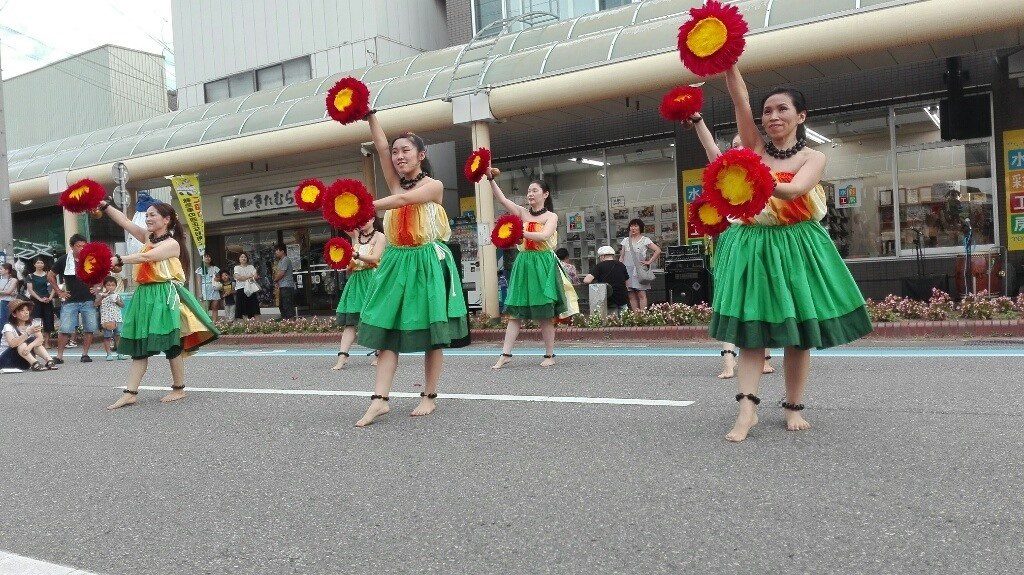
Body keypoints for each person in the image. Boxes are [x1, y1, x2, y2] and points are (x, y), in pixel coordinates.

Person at [713, 64, 872, 442]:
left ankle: (793, 406)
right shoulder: (753, 146)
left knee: (798, 332)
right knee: (753, 332)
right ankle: (746, 409)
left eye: (782, 109)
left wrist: (754, 176)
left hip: (798, 246)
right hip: (753, 246)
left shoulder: (812, 158)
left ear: (801, 116)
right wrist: (729, 60)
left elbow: (795, 189)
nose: (773, 117)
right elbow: (739, 98)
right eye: (767, 111)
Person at [353, 112, 469, 427]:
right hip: (396, 260)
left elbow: (403, 199)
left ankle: (429, 396)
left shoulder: (434, 186)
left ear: (421, 155)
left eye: (405, 151)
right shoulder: (394, 181)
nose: (398, 156)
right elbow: (379, 147)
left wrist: (363, 206)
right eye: (396, 152)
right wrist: (370, 117)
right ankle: (380, 400)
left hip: (427, 261)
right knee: (386, 329)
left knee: (432, 331)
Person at [95, 199, 220, 410]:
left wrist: (118, 259)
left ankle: (179, 388)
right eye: (148, 215)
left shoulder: (172, 244)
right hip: (144, 295)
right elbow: (125, 221)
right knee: (139, 344)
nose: (148, 218)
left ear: (167, 219)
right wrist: (105, 205)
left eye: (153, 215)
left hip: (163, 295)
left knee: (171, 342)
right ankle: (130, 393)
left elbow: (148, 256)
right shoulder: (147, 236)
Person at [684, 115, 775, 379]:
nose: (737, 149)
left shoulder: (765, 169)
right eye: (733, 145)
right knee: (731, 296)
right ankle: (728, 361)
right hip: (734, 238)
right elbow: (710, 148)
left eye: (742, 144)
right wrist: (700, 121)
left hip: (762, 238)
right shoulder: (726, 172)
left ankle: (765, 356)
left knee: (761, 296)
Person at [489, 168, 579, 370]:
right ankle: (505, 353)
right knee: (516, 312)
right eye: (528, 191)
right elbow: (503, 200)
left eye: (534, 191)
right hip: (524, 263)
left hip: (543, 264)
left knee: (545, 313)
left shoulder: (551, 216)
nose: (530, 194)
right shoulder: (522, 212)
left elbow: (544, 236)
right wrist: (490, 179)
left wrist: (516, 231)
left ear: (545, 194)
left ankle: (549, 354)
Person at [331, 218, 385, 371]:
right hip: (355, 280)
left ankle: (379, 352)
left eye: (366, 217)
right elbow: (340, 222)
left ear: (373, 218)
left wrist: (356, 255)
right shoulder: (356, 234)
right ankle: (342, 357)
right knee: (350, 321)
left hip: (372, 279)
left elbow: (375, 258)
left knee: (374, 318)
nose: (362, 221)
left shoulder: (380, 236)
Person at [49, 234, 99, 364]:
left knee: (90, 328)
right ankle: (59, 356)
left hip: (89, 298)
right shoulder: (64, 259)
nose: (82, 248)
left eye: (84, 245)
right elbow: (50, 275)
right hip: (70, 299)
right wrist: (59, 291)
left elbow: (102, 273)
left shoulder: (91, 259)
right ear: (72, 246)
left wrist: (98, 287)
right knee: (65, 329)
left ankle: (85, 354)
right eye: (78, 246)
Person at [0, 300, 57, 371]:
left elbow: (40, 339)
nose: (26, 312)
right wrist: (27, 333)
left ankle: (49, 361)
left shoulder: (31, 324)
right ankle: (35, 363)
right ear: (14, 314)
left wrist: (30, 346)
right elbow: (12, 344)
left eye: (27, 310)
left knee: (33, 340)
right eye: (22, 310)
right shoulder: (8, 326)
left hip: (23, 360)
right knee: (22, 343)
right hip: (6, 361)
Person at [619, 218, 662, 310]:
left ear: (640, 227)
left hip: (639, 271)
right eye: (631, 226)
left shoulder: (645, 240)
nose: (633, 228)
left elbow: (658, 250)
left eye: (636, 226)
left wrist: (649, 261)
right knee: (631, 294)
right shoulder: (626, 240)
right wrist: (620, 268)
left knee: (641, 293)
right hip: (627, 271)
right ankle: (636, 317)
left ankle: (643, 316)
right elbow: (622, 256)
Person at [583, 246, 629, 314]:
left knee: (612, 321)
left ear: (602, 256)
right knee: (625, 319)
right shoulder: (621, 265)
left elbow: (587, 280)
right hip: (622, 297)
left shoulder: (599, 266)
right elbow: (626, 282)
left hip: (609, 298)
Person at [95, 276, 128, 361]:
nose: (111, 287)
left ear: (116, 286)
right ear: (104, 286)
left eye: (113, 285)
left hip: (117, 318)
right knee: (107, 337)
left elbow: (123, 305)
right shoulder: (101, 295)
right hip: (106, 319)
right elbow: (96, 304)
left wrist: (117, 301)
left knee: (118, 335)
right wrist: (103, 297)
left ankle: (120, 353)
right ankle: (108, 354)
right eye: (108, 285)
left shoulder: (117, 295)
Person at [25, 258, 56, 347]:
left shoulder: (48, 275)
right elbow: (30, 290)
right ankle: (38, 341)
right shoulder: (30, 276)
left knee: (48, 321)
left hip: (47, 301)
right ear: (34, 265)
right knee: (36, 321)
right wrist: (39, 299)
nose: (40, 264)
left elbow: (54, 287)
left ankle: (46, 342)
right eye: (38, 263)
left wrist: (50, 298)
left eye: (42, 262)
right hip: (35, 302)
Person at [233, 253, 260, 319]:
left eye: (245, 257)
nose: (243, 258)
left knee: (253, 309)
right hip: (241, 289)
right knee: (243, 311)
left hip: (251, 289)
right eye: (241, 257)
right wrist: (249, 276)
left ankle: (254, 326)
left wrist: (245, 277)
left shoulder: (251, 267)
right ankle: (246, 327)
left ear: (247, 258)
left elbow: (256, 276)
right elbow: (238, 277)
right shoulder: (236, 267)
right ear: (239, 259)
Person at [195, 253, 222, 322]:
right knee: (205, 308)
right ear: (203, 259)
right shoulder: (200, 269)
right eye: (206, 257)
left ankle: (214, 323)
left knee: (215, 307)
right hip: (205, 288)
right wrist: (200, 293)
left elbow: (219, 278)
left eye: (209, 257)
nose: (208, 258)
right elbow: (199, 282)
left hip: (214, 287)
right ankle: (206, 324)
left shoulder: (215, 268)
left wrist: (217, 278)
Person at [272, 244, 296, 320]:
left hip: (287, 286)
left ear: (282, 251)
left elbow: (282, 273)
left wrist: (275, 280)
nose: (276, 252)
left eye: (277, 250)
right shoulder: (280, 261)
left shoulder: (286, 259)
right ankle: (284, 319)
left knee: (287, 304)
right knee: (282, 304)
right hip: (282, 286)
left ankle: (291, 320)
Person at [0, 263, 18, 327]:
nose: (0, 270)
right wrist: (6, 292)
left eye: (1, 269)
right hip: (2, 301)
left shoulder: (13, 280)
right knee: (2, 320)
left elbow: (8, 292)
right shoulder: (1, 280)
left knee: (6, 320)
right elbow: (8, 292)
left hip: (9, 302)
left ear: (7, 270)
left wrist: (5, 292)